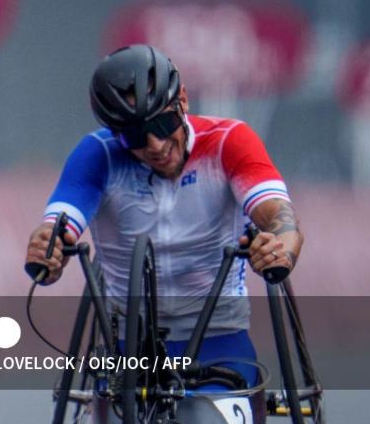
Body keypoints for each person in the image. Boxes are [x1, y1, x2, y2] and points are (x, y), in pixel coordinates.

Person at [24, 44, 301, 386]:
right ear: (115, 132)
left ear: (182, 100)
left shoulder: (229, 141)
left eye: (162, 122)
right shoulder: (98, 153)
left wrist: (280, 248)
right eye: (136, 135)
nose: (154, 145)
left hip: (217, 337)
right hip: (127, 342)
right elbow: (57, 225)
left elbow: (279, 216)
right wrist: (47, 250)